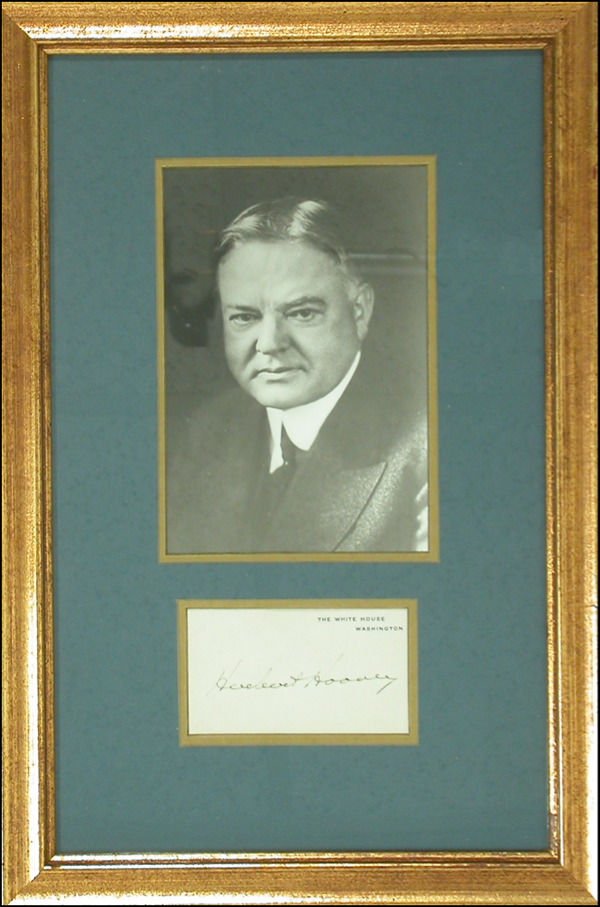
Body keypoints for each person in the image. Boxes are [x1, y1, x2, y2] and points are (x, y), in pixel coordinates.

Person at [166, 197, 428, 554]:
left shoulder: (425, 451)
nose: (269, 344)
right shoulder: (205, 430)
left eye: (302, 313)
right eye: (244, 317)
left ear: (360, 311)